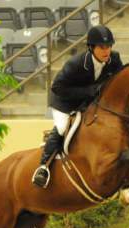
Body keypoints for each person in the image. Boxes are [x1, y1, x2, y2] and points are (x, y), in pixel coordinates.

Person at [31, 25, 124, 188]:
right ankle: (43, 167)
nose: (106, 51)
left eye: (109, 46)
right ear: (91, 47)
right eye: (102, 47)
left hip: (89, 103)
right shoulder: (76, 64)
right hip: (64, 102)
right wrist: (89, 91)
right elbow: (57, 87)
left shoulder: (114, 60)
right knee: (61, 128)